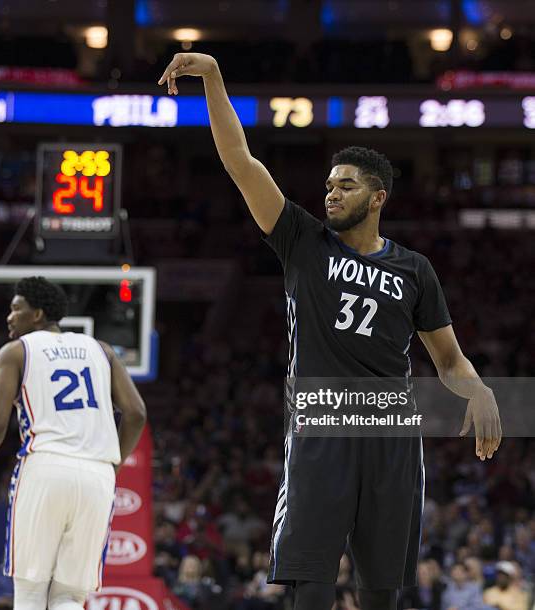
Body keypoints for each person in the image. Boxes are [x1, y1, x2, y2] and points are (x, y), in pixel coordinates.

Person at [157, 53, 502, 610]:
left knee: (381, 591)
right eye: (328, 185)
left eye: (345, 186)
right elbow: (240, 161)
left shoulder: (415, 269)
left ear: (377, 197)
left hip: (390, 433)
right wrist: (216, 76)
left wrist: (481, 389)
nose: (331, 194)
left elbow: (449, 360)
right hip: (322, 426)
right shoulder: (302, 240)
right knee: (311, 584)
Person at [0, 277, 147, 610]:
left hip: (45, 465)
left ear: (37, 314)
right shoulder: (102, 350)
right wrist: (113, 463)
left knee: (31, 590)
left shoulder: (16, 351)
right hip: (97, 475)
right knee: (70, 595)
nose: (9, 316)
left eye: (16, 308)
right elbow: (135, 413)